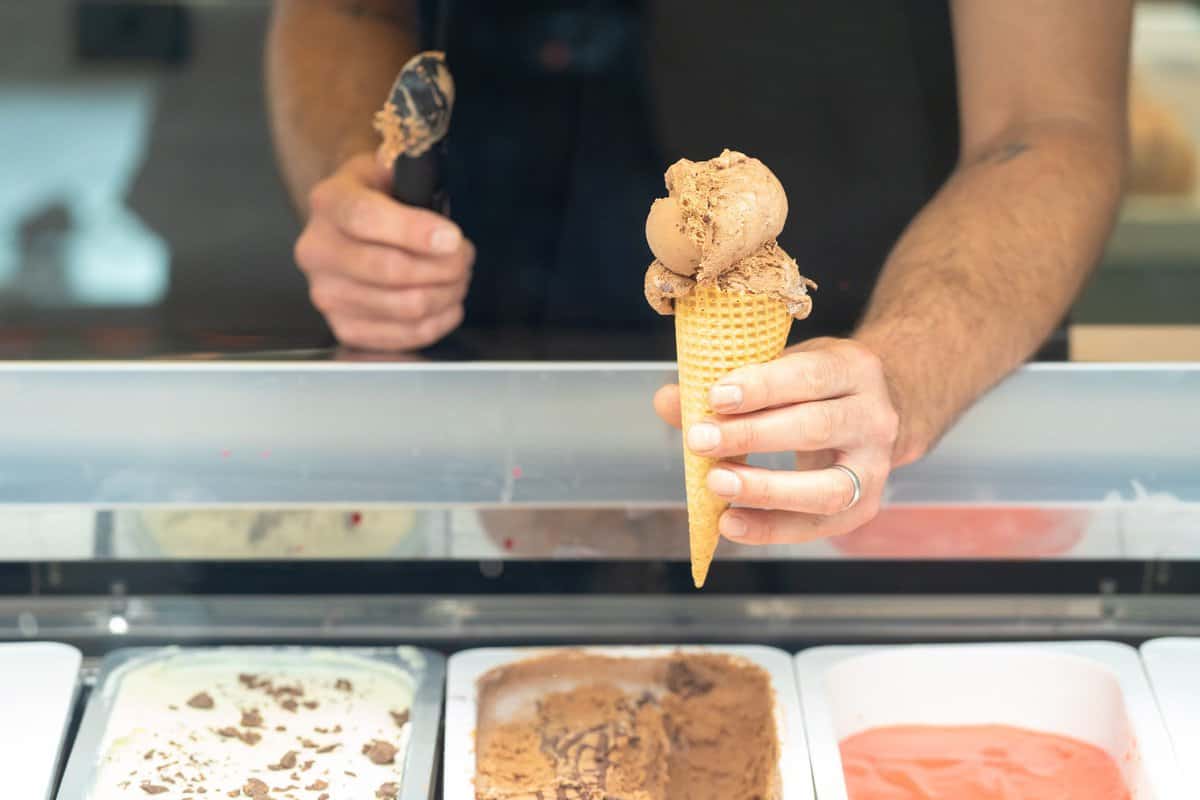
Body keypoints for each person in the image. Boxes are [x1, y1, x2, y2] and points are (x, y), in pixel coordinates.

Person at [266, 1, 1132, 547]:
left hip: (891, 391)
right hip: (489, 377)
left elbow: (1049, 120)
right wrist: (356, 185)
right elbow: (340, 12)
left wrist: (908, 366)